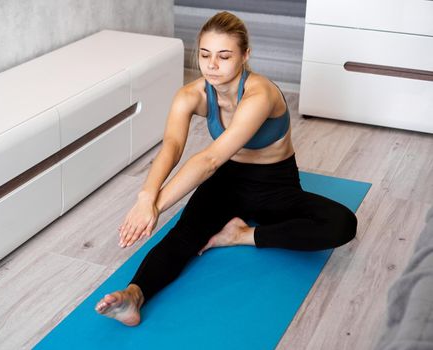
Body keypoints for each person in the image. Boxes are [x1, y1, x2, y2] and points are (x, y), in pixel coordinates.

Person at [95, 11, 357, 327]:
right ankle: (134, 296)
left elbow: (209, 160)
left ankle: (242, 235)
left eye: (224, 56)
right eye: (205, 54)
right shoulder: (190, 95)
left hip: (276, 185)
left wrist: (157, 208)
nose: (212, 65)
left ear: (245, 55)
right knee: (184, 235)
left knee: (343, 223)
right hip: (227, 182)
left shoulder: (260, 94)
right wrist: (145, 198)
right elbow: (172, 147)